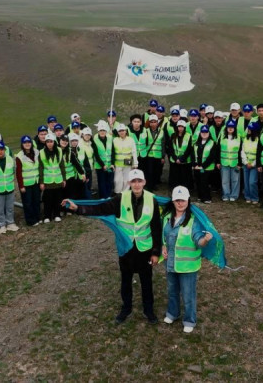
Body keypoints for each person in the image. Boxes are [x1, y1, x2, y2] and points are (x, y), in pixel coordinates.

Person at [63, 169, 162, 325]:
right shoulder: (120, 199)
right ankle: (126, 309)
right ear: (129, 183)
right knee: (126, 281)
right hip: (126, 249)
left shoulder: (152, 200)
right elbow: (100, 209)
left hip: (145, 249)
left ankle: (148, 310)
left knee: (146, 282)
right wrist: (78, 209)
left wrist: (156, 252)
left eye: (139, 181)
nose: (136, 184)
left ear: (144, 182)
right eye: (133, 181)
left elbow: (157, 227)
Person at [161, 186, 213, 333]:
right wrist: (162, 247)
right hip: (171, 264)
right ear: (173, 201)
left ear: (188, 201)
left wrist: (205, 240)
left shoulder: (193, 221)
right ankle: (173, 313)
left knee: (188, 294)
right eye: (177, 200)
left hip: (188, 267)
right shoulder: (166, 217)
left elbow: (198, 241)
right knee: (172, 290)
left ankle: (189, 320)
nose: (180, 203)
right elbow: (163, 236)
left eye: (182, 200)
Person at [38, 133, 66, 223]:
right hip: (48, 181)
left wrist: (64, 179)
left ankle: (57, 214)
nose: (50, 143)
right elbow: (41, 168)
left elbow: (62, 166)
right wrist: (41, 182)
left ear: (54, 142)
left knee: (58, 199)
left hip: (58, 180)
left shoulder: (59, 151)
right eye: (48, 142)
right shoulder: (41, 152)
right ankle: (47, 216)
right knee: (48, 200)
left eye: (51, 141)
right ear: (45, 143)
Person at [15, 135, 42, 227]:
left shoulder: (37, 152)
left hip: (36, 181)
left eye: (29, 142)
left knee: (36, 201)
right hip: (26, 184)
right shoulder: (19, 156)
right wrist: (21, 186)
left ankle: (38, 217)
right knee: (28, 203)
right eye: (25, 143)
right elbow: (18, 173)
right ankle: (30, 220)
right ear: (22, 144)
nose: (27, 144)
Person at [192, 125, 218, 203]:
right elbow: (193, 155)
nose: (204, 134)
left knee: (205, 183)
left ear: (208, 133)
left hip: (207, 167)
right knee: (198, 182)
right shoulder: (196, 143)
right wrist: (195, 164)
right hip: (197, 167)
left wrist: (203, 166)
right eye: (202, 132)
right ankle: (200, 196)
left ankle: (207, 198)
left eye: (206, 132)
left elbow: (212, 156)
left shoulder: (212, 143)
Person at [218, 120, 242, 201]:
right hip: (224, 162)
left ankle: (234, 195)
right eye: (229, 127)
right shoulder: (222, 136)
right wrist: (218, 162)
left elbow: (240, 151)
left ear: (235, 128)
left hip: (235, 162)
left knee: (235, 180)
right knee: (225, 180)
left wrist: (240, 163)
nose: (230, 129)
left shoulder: (238, 137)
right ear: (226, 128)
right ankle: (226, 195)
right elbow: (217, 149)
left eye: (232, 127)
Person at [167, 120, 193, 191]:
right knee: (175, 177)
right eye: (179, 127)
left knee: (184, 177)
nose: (180, 128)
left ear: (184, 127)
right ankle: (174, 190)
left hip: (185, 161)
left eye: (182, 127)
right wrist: (176, 158)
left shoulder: (188, 136)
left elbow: (189, 149)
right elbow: (171, 148)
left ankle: (185, 190)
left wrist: (182, 159)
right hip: (175, 160)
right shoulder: (173, 135)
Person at [112, 123, 139, 193]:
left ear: (126, 131)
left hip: (128, 163)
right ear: (118, 132)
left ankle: (125, 193)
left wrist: (135, 163)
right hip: (118, 164)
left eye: (123, 130)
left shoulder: (131, 140)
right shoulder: (115, 140)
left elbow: (134, 152)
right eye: (120, 131)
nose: (122, 132)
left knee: (126, 180)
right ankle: (117, 193)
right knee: (117, 180)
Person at [92, 122, 115, 198]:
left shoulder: (110, 138)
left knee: (109, 182)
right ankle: (103, 198)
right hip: (100, 166)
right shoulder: (95, 139)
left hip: (109, 165)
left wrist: (112, 163)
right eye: (100, 130)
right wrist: (102, 165)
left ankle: (108, 197)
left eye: (104, 130)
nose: (102, 132)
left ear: (106, 131)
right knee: (102, 183)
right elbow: (96, 154)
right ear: (98, 131)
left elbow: (112, 151)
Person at [143, 114, 165, 191]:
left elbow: (163, 145)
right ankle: (149, 186)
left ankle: (154, 184)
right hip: (149, 155)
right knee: (149, 172)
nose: (153, 123)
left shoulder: (161, 131)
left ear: (157, 122)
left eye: (154, 121)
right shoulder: (146, 131)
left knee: (156, 172)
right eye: (151, 122)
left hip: (158, 156)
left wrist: (163, 157)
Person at [241, 122, 260, 204]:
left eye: (250, 129)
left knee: (252, 182)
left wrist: (253, 164)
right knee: (246, 182)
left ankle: (254, 197)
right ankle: (247, 196)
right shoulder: (245, 139)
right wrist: (245, 162)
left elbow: (259, 153)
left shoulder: (258, 140)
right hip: (246, 164)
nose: (248, 130)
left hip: (254, 165)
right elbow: (243, 151)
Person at [79, 127, 95, 198]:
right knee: (85, 188)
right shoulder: (80, 144)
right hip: (84, 170)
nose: (87, 136)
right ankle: (88, 203)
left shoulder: (90, 144)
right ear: (82, 135)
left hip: (90, 169)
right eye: (86, 135)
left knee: (89, 186)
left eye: (89, 135)